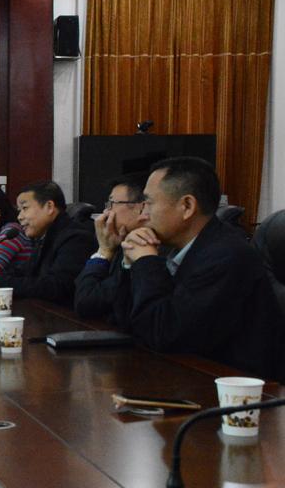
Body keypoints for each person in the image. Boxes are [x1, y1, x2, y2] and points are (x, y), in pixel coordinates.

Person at [114, 157, 284, 380]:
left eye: (149, 203)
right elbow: (123, 322)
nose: (143, 214)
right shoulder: (169, 246)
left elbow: (164, 335)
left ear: (187, 206)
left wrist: (145, 262)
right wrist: (129, 263)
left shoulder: (226, 257)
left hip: (230, 389)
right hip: (184, 376)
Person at [0, 181, 96, 305]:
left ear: (49, 207)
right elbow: (24, 273)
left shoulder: (76, 238)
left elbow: (56, 286)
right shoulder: (45, 237)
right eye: (19, 210)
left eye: (25, 208)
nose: (19, 216)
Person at [73, 173, 147, 320]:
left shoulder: (148, 246)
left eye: (112, 204)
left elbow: (86, 303)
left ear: (141, 207)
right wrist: (105, 249)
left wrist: (104, 251)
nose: (106, 212)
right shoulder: (119, 241)